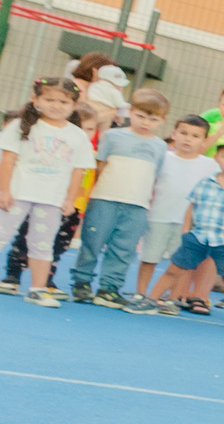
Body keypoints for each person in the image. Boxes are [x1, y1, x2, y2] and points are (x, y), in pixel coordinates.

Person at [0, 79, 96, 306]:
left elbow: (78, 170)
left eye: (63, 101)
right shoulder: (20, 125)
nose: (56, 105)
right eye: (49, 99)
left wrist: (71, 199)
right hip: (18, 194)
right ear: (35, 100)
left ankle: (37, 289)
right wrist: (3, 189)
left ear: (74, 104)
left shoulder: (78, 135)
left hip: (51, 200)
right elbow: (8, 160)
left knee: (42, 243)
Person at [67, 89, 166, 305]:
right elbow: (99, 167)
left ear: (162, 121)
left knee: (124, 249)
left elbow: (154, 176)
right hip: (104, 199)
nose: (145, 122)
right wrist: (92, 195)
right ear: (131, 111)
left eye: (153, 119)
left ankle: (109, 288)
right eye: (140, 116)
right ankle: (82, 283)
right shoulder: (113, 136)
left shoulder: (161, 146)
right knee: (92, 242)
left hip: (137, 205)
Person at [152, 133, 224, 328]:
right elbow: (192, 207)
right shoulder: (205, 182)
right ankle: (151, 299)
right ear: (217, 157)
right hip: (198, 237)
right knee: (174, 269)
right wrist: (186, 231)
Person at [130, 114, 215, 311]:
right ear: (174, 134)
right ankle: (141, 293)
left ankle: (172, 298)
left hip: (188, 223)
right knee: (149, 257)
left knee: (182, 263)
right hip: (158, 216)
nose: (188, 139)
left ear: (204, 141)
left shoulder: (210, 165)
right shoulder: (163, 158)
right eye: (183, 133)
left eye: (195, 136)